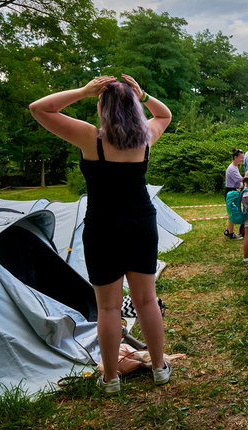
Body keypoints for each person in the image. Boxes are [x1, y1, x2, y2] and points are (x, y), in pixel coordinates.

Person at [29, 75, 172, 394]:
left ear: (102, 106)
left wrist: (82, 91)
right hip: (141, 225)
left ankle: (110, 379)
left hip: (102, 227)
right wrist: (144, 93)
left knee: (108, 308)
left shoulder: (89, 137)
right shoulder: (144, 137)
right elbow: (165, 115)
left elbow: (39, 108)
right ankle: (160, 368)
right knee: (146, 300)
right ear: (133, 106)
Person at [224, 148, 244, 239]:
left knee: (231, 212)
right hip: (231, 192)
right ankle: (231, 233)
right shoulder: (232, 168)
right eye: (241, 158)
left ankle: (228, 230)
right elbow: (240, 180)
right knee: (232, 213)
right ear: (235, 157)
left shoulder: (235, 166)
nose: (242, 160)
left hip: (233, 191)